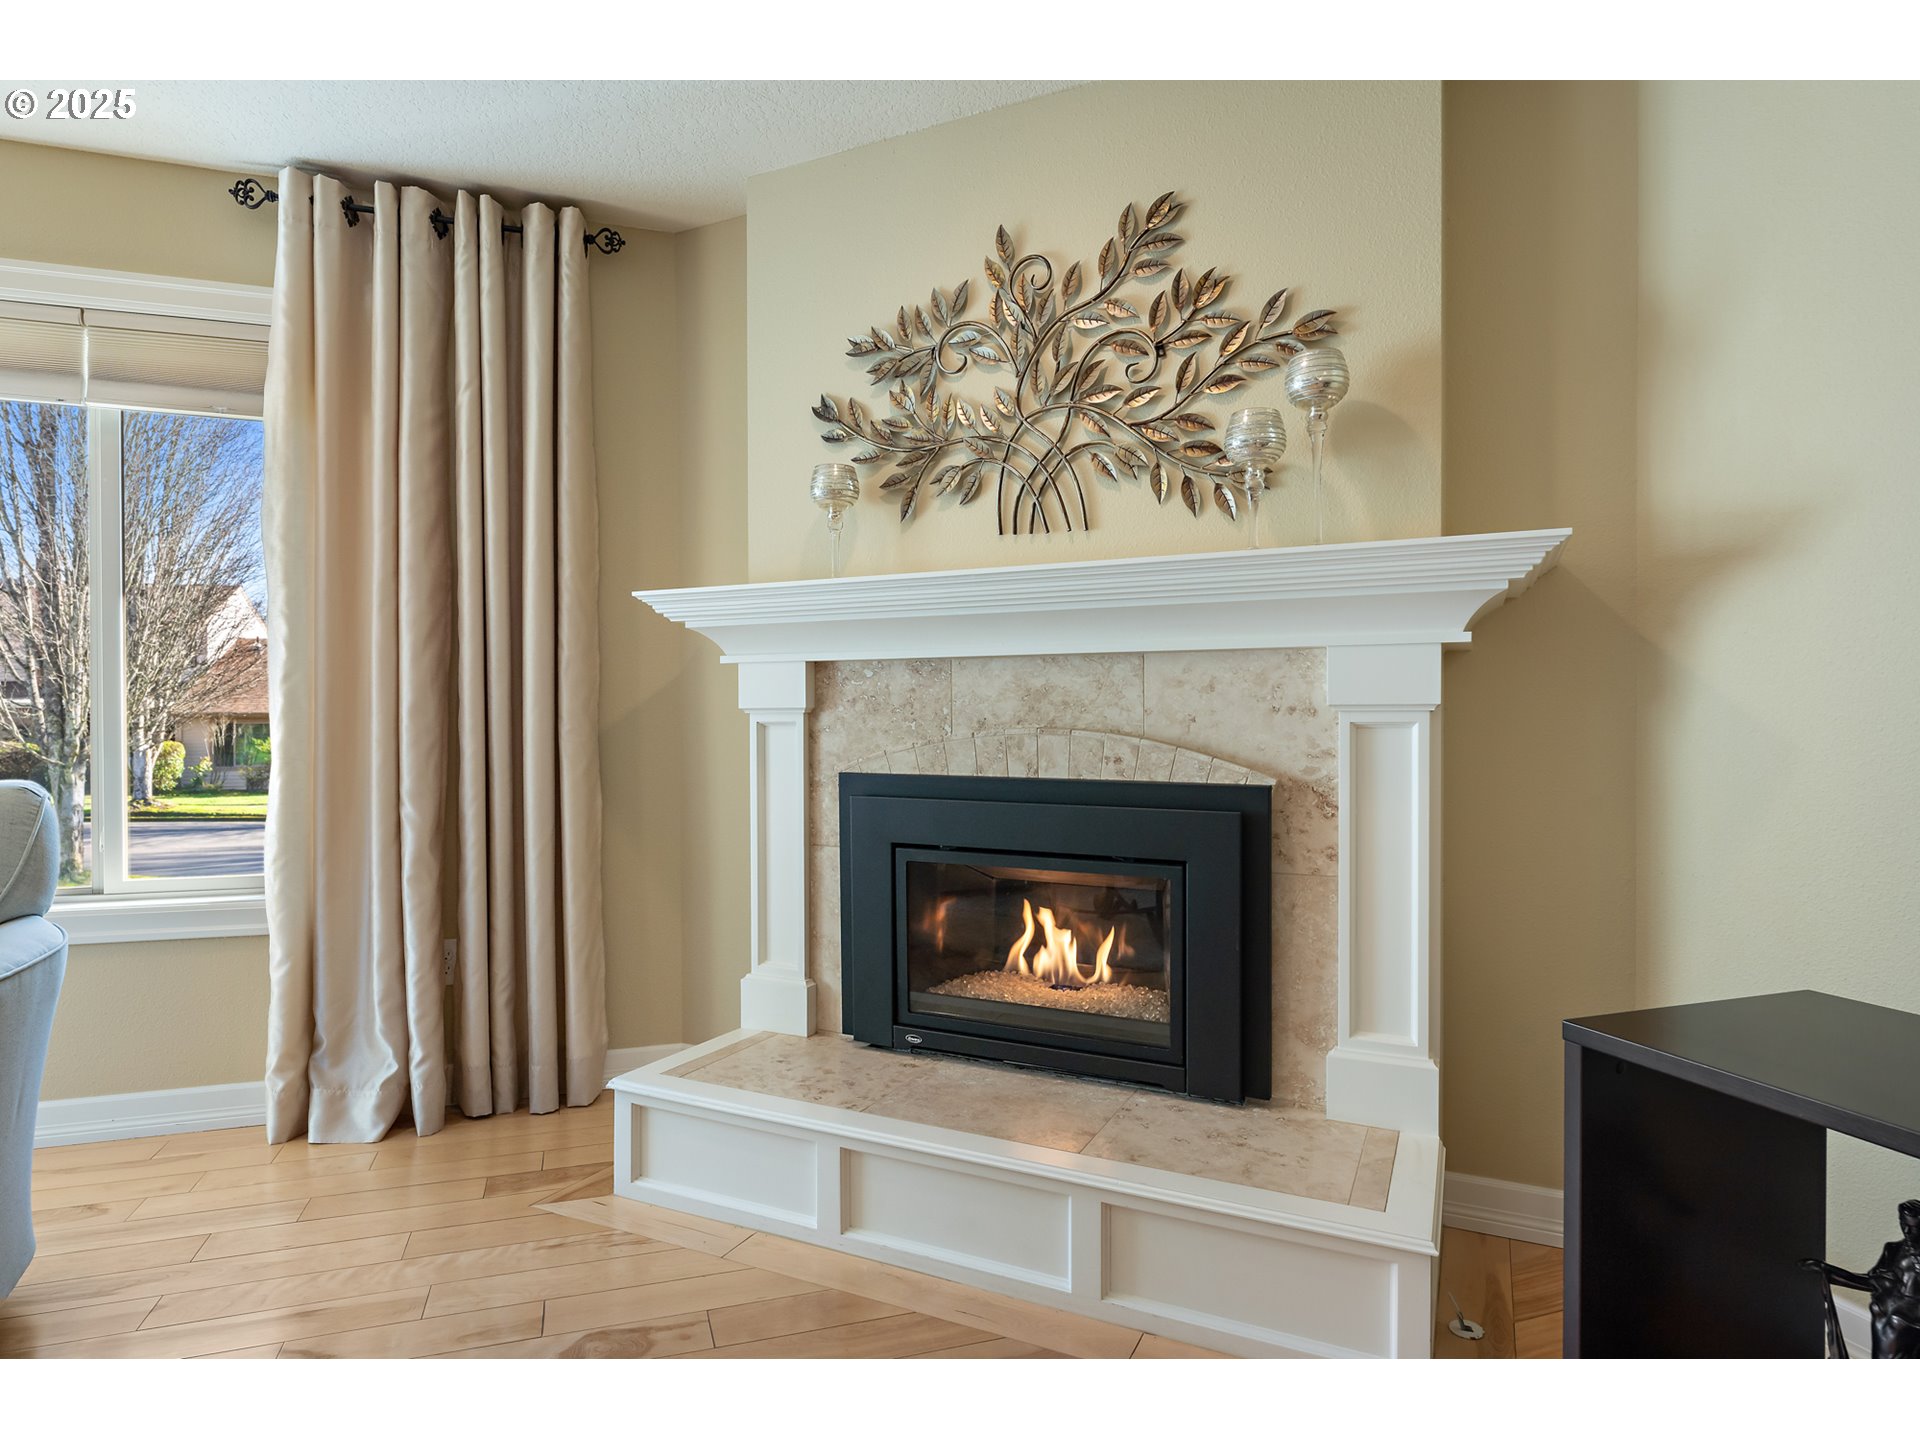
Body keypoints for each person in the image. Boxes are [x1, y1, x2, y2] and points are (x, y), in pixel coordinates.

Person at [1804, 1198, 1920, 1359]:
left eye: (1912, 1227)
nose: (1906, 1231)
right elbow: (1871, 1282)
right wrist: (1827, 1271)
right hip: (1889, 1319)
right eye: (1903, 1224)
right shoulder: (1892, 1250)